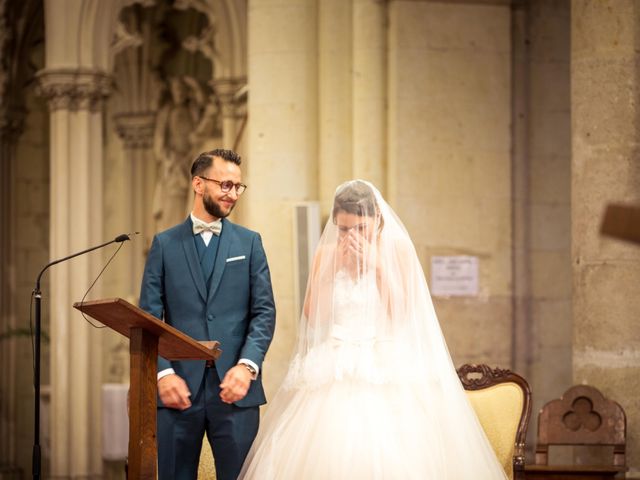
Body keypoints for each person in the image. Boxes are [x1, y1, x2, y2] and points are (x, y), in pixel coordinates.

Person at [239, 180, 507, 479]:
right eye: (343, 229)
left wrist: (377, 265)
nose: (351, 236)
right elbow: (314, 318)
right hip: (335, 363)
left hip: (384, 364)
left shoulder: (398, 250)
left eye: (360, 228)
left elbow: (401, 315)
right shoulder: (325, 254)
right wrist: (331, 269)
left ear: (377, 219)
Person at [139, 148, 276, 480]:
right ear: (198, 184)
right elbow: (149, 318)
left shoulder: (250, 243)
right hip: (177, 391)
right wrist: (163, 374)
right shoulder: (164, 244)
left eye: (237, 187)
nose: (232, 194)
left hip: (235, 391)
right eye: (225, 185)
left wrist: (247, 367)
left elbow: (264, 312)